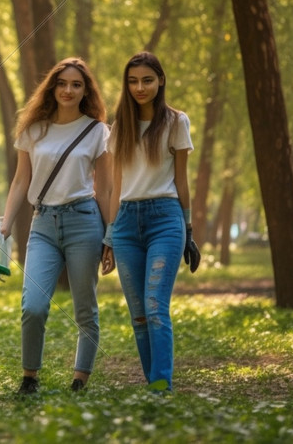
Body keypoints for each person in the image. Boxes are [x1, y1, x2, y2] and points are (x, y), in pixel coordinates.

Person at [0, 57, 113, 395]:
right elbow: (21, 181)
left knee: (84, 307)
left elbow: (104, 188)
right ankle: (29, 377)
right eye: (62, 83)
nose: (68, 90)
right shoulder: (34, 129)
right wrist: (5, 224)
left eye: (76, 84)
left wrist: (111, 235)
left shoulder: (97, 132)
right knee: (32, 305)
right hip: (43, 224)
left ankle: (80, 378)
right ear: (52, 87)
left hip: (84, 222)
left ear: (85, 90)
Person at [103, 51, 194, 392]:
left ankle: (161, 385)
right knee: (138, 314)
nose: (140, 87)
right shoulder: (120, 126)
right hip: (126, 224)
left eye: (147, 80)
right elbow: (115, 185)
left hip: (165, 219)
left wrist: (188, 228)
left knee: (156, 305)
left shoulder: (175, 122)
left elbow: (182, 181)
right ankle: (151, 383)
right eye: (133, 81)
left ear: (161, 81)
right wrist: (109, 236)